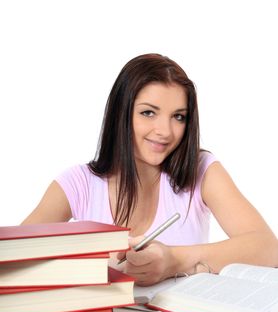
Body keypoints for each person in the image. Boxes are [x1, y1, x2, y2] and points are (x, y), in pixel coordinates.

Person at [21, 53, 278, 286]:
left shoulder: (203, 171)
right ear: (121, 114)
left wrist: (173, 261)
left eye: (179, 116)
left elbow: (268, 247)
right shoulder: (77, 183)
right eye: (148, 113)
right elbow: (14, 258)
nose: (165, 132)